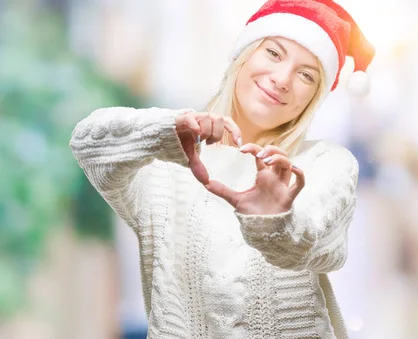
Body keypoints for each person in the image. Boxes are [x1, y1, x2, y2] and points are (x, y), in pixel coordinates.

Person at [69, 0, 374, 337]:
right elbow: (88, 143)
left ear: (313, 99)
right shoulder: (161, 164)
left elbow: (320, 246)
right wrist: (166, 130)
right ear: (242, 57)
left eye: (306, 75)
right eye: (273, 53)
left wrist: (275, 222)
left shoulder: (325, 163)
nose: (282, 79)